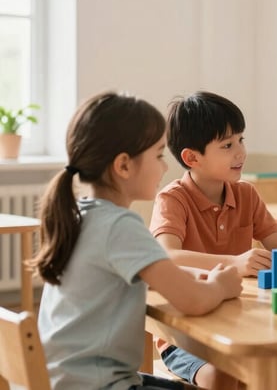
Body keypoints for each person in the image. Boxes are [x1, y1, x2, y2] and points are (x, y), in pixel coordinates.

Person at [33, 91, 243, 390]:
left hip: (64, 380)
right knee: (222, 380)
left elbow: (152, 275)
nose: (165, 167)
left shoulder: (80, 215)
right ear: (124, 166)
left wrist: (194, 276)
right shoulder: (120, 225)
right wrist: (220, 286)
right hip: (99, 385)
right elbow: (194, 301)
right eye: (158, 155)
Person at [149, 91, 277, 390]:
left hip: (244, 325)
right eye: (227, 145)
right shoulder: (173, 199)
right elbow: (167, 257)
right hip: (185, 338)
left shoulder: (247, 194)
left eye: (241, 140)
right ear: (192, 157)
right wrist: (235, 262)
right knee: (223, 379)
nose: (240, 152)